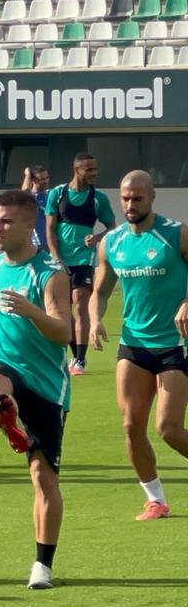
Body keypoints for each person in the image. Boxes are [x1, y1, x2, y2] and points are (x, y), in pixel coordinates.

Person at [0, 189, 72, 590]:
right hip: (2, 362)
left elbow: (65, 332)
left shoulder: (50, 273)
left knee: (43, 478)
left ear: (29, 225)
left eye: (6, 221)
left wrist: (31, 310)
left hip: (46, 384)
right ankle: (6, 413)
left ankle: (42, 567)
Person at [89, 170, 188, 522]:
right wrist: (95, 318)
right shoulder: (111, 242)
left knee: (169, 429)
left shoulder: (176, 234)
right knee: (132, 425)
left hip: (174, 345)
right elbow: (99, 291)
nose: (131, 205)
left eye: (138, 198)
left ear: (153, 197)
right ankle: (156, 500)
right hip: (133, 344)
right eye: (126, 199)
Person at [46, 153, 116, 376]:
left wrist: (97, 238)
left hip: (84, 259)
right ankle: (71, 353)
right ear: (77, 170)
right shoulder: (58, 194)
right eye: (89, 170)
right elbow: (49, 229)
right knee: (60, 309)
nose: (94, 173)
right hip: (59, 261)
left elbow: (113, 228)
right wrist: (56, 257)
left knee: (80, 303)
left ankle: (80, 360)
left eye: (95, 169)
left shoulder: (99, 199)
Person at [22, 165, 51, 250]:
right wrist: (27, 175)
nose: (46, 181)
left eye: (47, 178)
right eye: (42, 179)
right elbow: (24, 193)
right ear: (33, 180)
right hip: (35, 243)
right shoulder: (31, 197)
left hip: (51, 243)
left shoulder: (51, 194)